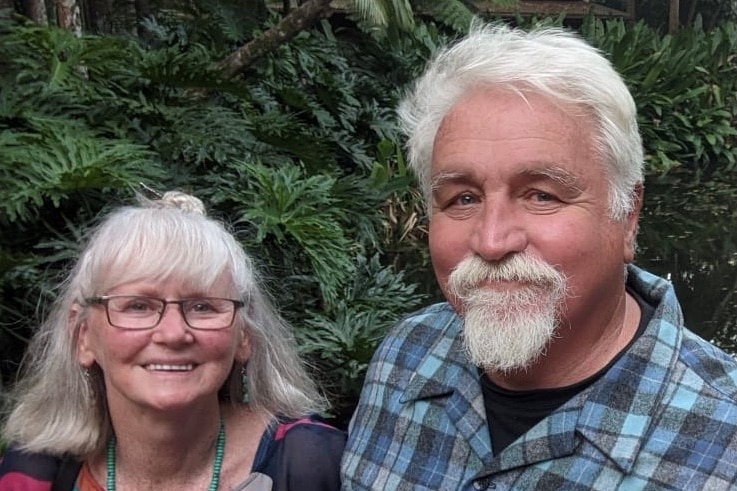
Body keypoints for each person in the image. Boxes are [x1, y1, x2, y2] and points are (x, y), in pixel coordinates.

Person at [341, 22, 737, 490]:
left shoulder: (722, 439)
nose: (491, 242)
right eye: (463, 199)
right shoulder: (405, 356)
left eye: (542, 195)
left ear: (627, 216)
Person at [0, 191, 345, 490]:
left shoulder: (311, 465)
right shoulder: (36, 470)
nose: (173, 333)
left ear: (245, 335)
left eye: (202, 306)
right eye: (138, 306)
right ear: (83, 335)